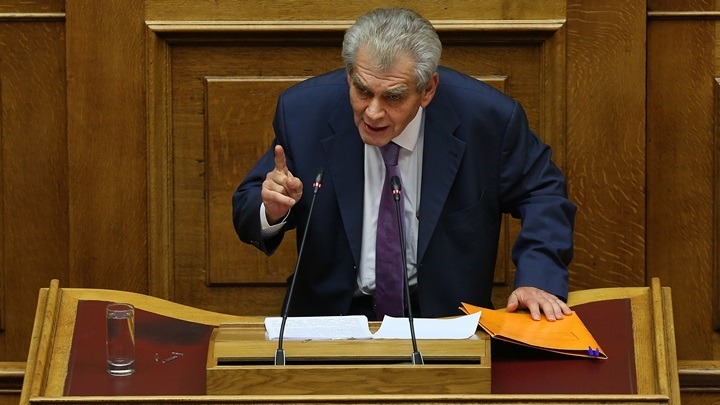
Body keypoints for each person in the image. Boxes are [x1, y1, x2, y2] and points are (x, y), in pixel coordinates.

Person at [233, 8, 576, 322]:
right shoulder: (303, 113)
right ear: (350, 77)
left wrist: (538, 278)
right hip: (330, 319)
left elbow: (542, 192)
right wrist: (271, 210)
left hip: (444, 319)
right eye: (362, 91)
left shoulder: (487, 120)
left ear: (427, 90)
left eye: (393, 97)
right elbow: (249, 203)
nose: (373, 112)